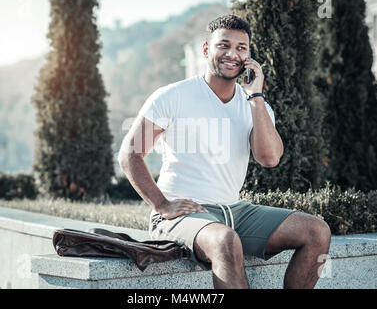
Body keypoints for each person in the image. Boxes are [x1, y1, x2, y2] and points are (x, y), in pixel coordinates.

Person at [118, 14, 331, 289]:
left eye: (241, 48)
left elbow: (269, 158)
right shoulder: (172, 96)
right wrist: (162, 204)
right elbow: (130, 154)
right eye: (224, 45)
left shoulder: (256, 106)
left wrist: (256, 95)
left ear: (249, 56)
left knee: (316, 231)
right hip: (183, 216)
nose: (233, 54)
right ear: (206, 49)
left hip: (234, 211)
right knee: (225, 240)